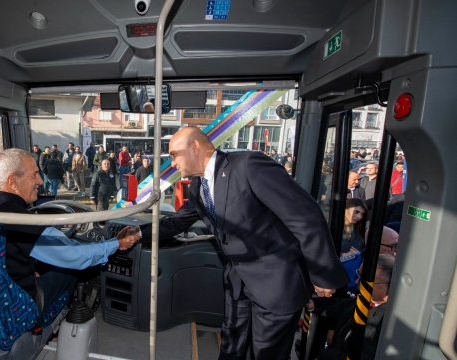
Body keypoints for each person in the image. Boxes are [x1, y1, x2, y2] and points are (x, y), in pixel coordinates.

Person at [139, 127, 348, 359]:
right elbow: (177, 223)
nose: (172, 162)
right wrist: (137, 234)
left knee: (265, 353)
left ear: (195, 147)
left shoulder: (248, 165)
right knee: (232, 346)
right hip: (238, 283)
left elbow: (304, 217)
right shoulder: (199, 187)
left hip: (277, 282)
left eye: (173, 154)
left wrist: (323, 274)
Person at [0, 149, 140, 314]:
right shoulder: (20, 220)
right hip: (21, 304)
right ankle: (71, 314)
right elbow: (74, 256)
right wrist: (116, 243)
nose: (40, 181)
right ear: (12, 181)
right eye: (34, 175)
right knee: (69, 269)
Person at [314, 254, 395, 360]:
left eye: (365, 280)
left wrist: (324, 356)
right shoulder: (364, 301)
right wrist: (310, 303)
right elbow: (337, 305)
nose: (357, 282)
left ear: (389, 286)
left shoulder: (387, 321)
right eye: (359, 275)